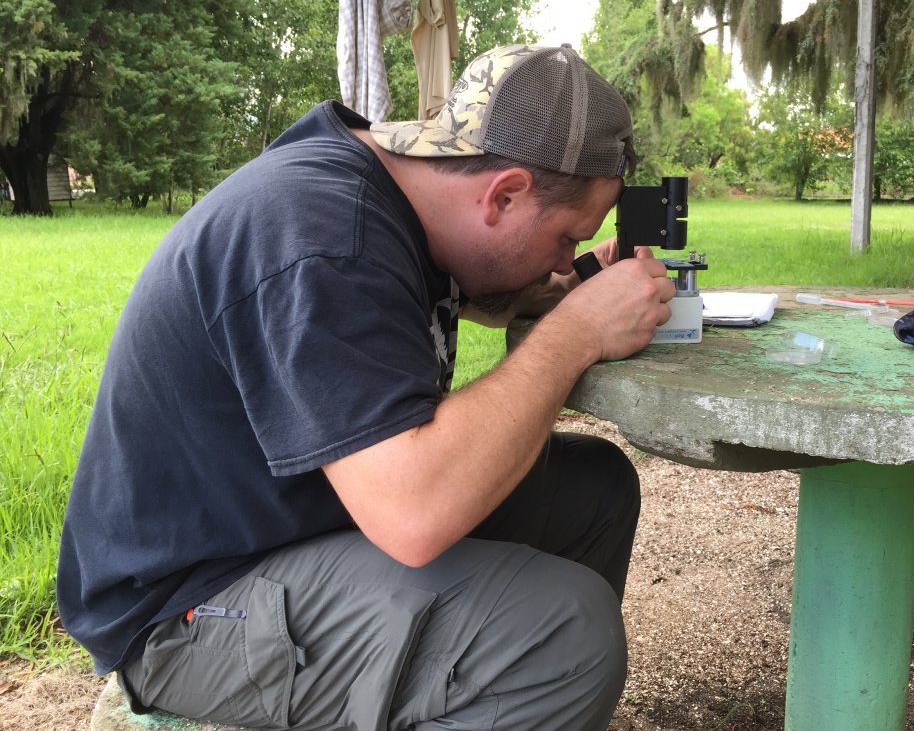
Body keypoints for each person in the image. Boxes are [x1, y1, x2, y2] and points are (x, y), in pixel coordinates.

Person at [57, 43, 674, 730]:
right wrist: (578, 331)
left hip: (296, 526)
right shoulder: (325, 236)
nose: (567, 259)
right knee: (566, 640)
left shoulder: (398, 191)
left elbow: (440, 291)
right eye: (567, 238)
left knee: (594, 490)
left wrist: (553, 286)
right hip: (189, 607)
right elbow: (415, 513)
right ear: (503, 194)